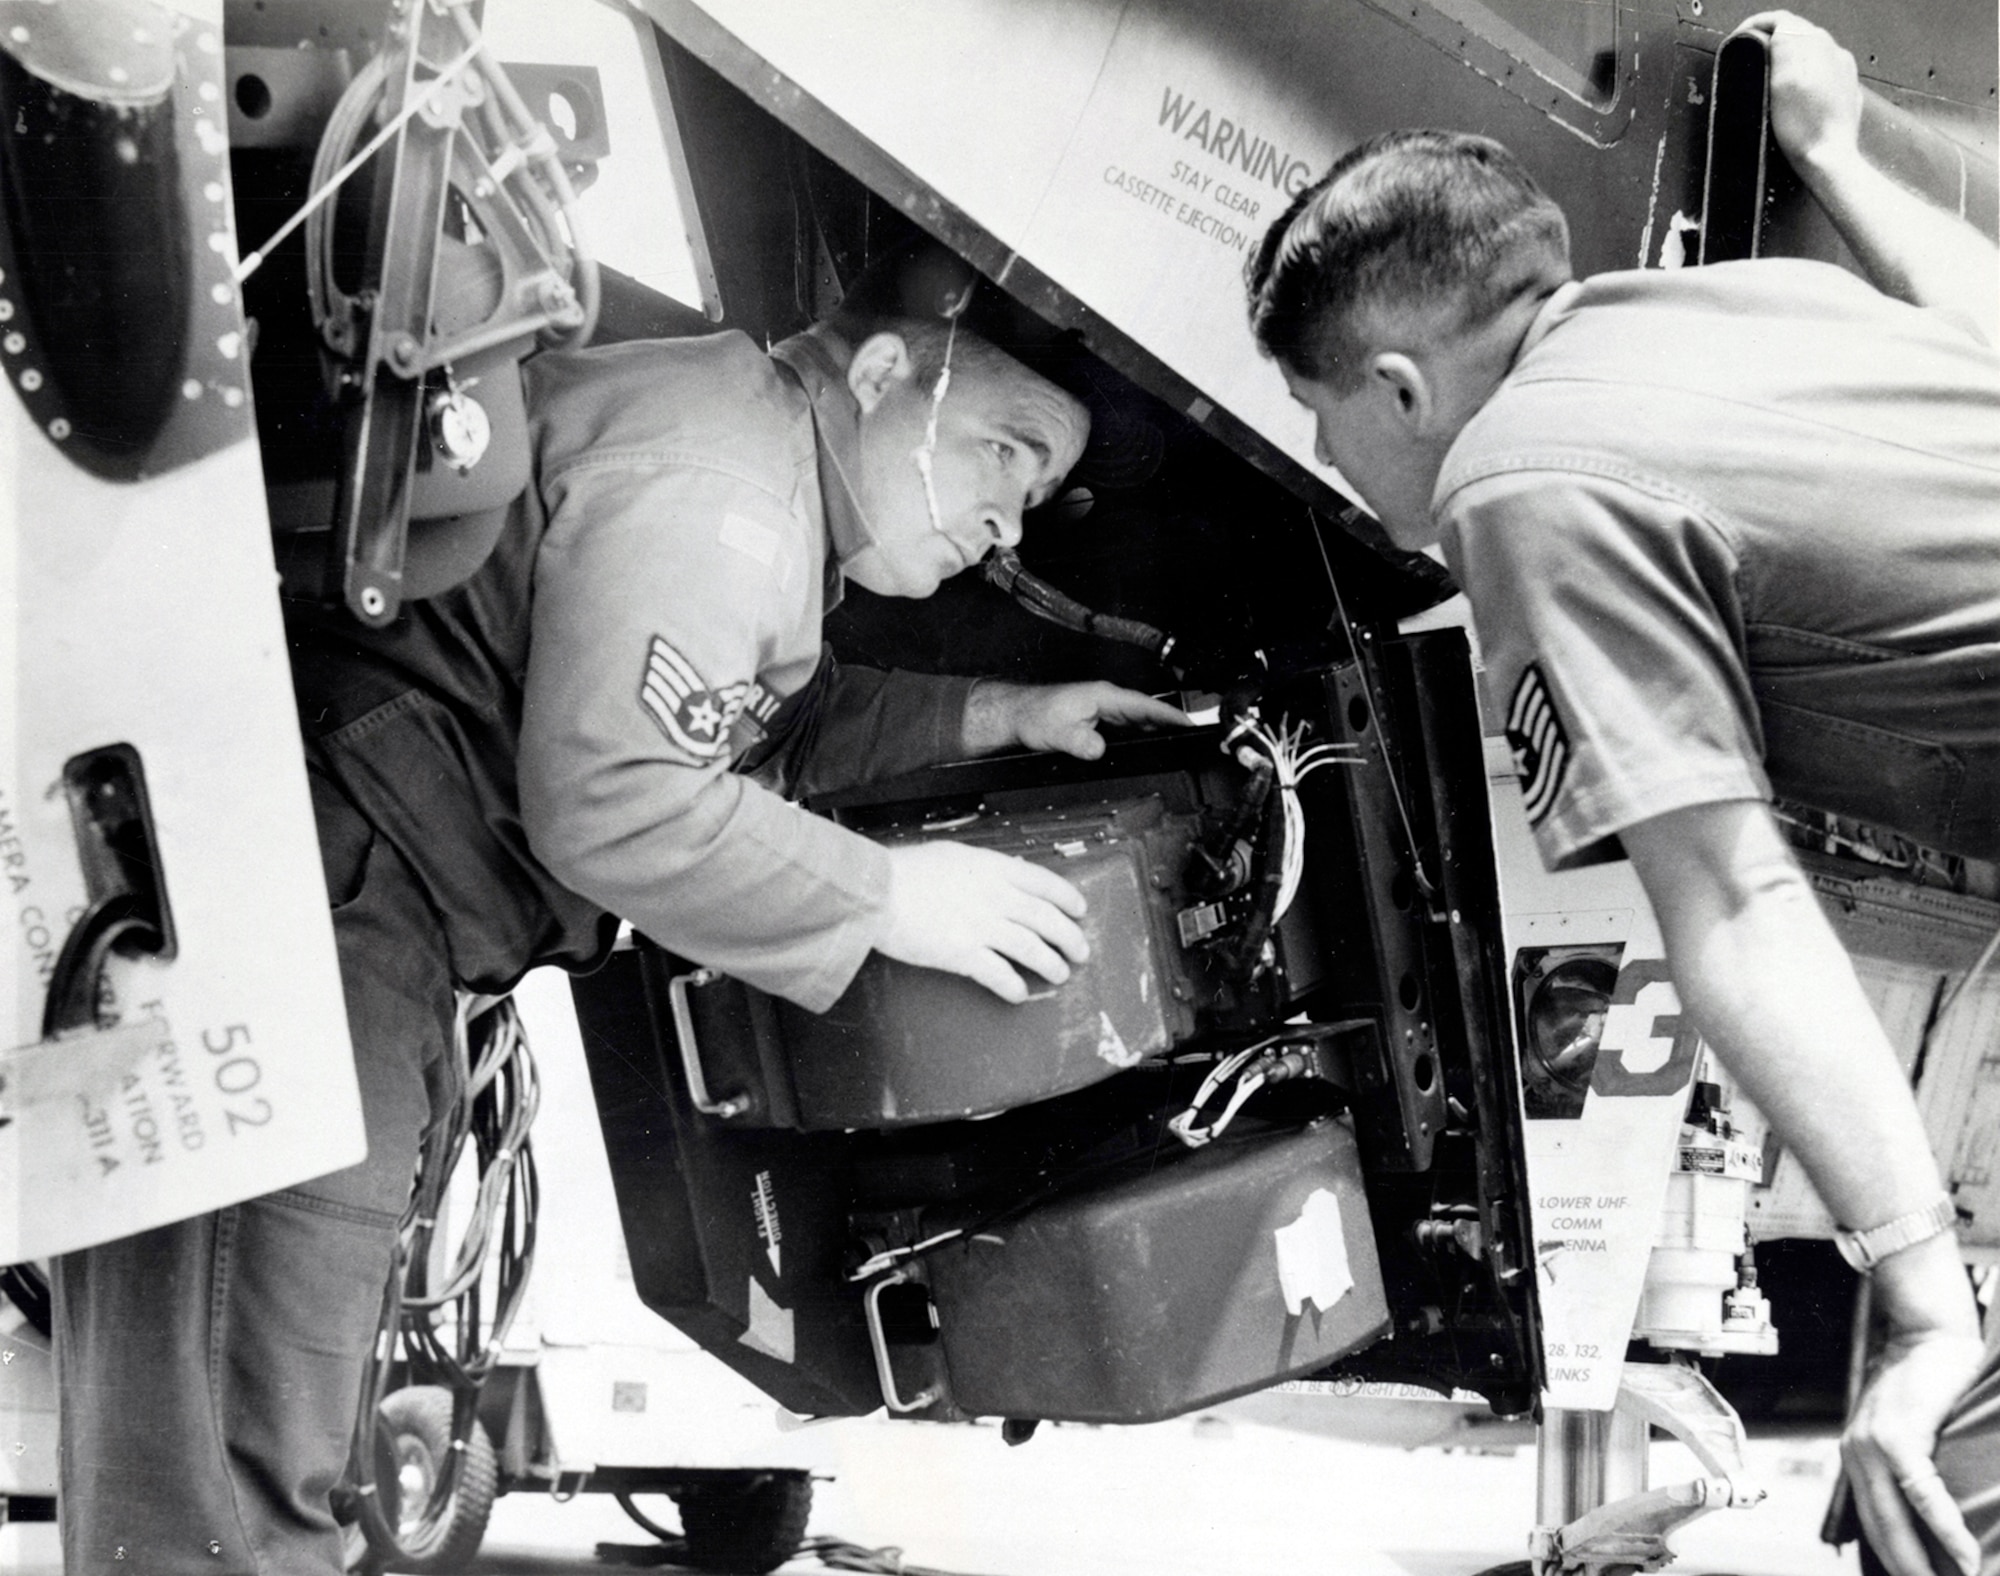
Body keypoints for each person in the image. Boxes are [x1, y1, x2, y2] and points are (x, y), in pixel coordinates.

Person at [50, 246, 1186, 1576]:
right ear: (881, 373)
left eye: (1036, 498)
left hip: (343, 914)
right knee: (224, 1497)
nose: (1011, 523)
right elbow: (619, 796)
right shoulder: (721, 489)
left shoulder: (747, 463)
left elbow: (753, 711)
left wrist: (1004, 712)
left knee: (234, 1461)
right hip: (320, 924)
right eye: (1007, 452)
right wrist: (890, 898)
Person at [1243, 13, 1998, 1576]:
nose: (1328, 456)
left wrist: (1924, 1302)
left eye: (1316, 416)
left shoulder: (1526, 480)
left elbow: (1729, 894)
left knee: (1953, 1499)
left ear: (1394, 386)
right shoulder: (1748, 311)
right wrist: (1845, 159)